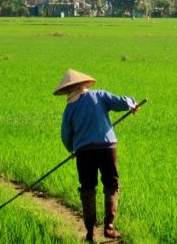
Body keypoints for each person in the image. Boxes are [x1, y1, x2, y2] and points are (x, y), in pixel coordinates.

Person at [54, 69, 138, 242]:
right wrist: (131, 104)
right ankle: (109, 227)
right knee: (111, 184)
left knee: (87, 188)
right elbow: (119, 102)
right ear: (83, 85)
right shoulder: (99, 95)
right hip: (107, 147)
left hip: (84, 152)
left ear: (69, 90)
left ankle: (90, 232)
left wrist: (72, 149)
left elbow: (66, 135)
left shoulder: (69, 108)